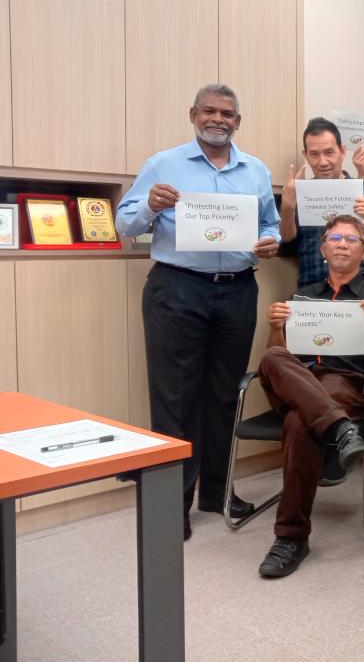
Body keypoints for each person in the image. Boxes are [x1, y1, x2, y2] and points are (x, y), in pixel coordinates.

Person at [116, 83, 281, 541]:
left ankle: (217, 492)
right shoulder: (163, 164)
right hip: (178, 289)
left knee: (224, 395)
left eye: (227, 113)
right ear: (193, 114)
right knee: (175, 399)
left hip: (237, 290)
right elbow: (123, 224)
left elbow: (268, 223)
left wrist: (270, 241)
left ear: (238, 121)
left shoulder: (255, 170)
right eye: (209, 111)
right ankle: (173, 504)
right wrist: (149, 205)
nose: (218, 119)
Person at [256, 216, 364, 578]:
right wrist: (276, 327)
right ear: (323, 248)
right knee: (271, 356)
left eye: (351, 238)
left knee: (300, 421)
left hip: (344, 382)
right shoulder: (302, 297)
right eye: (334, 238)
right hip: (297, 381)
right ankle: (341, 430)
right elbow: (274, 359)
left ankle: (291, 538)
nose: (342, 243)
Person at [278, 117, 364, 286]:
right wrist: (287, 208)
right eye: (314, 154)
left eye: (329, 152)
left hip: (359, 288)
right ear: (305, 155)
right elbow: (288, 244)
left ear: (342, 151)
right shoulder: (299, 192)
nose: (322, 162)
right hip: (312, 285)